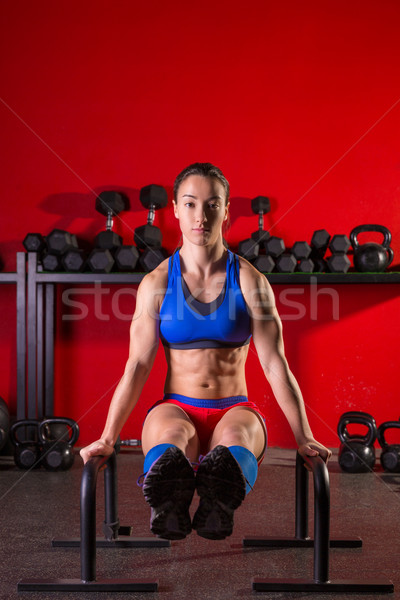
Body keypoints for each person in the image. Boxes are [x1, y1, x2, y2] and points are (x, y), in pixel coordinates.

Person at [80, 162, 331, 541]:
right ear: (177, 210)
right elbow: (138, 364)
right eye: (191, 204)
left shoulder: (249, 280)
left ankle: (218, 501)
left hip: (235, 407)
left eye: (213, 205)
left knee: (234, 443)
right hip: (177, 405)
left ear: (226, 211)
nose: (201, 216)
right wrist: (107, 437)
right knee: (170, 442)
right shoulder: (157, 283)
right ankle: (170, 502)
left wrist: (304, 436)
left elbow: (273, 362)